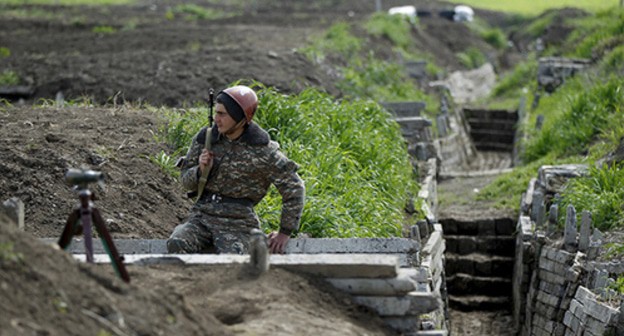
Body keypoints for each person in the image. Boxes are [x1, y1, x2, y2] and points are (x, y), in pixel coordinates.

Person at [167, 85, 305, 255]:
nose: (216, 119)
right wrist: (200, 170)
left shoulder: (263, 150)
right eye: (216, 112)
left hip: (239, 223)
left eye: (223, 114)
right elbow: (185, 183)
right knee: (176, 243)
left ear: (241, 117)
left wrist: (285, 232)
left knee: (232, 260)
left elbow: (294, 187)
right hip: (201, 216)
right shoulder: (207, 139)